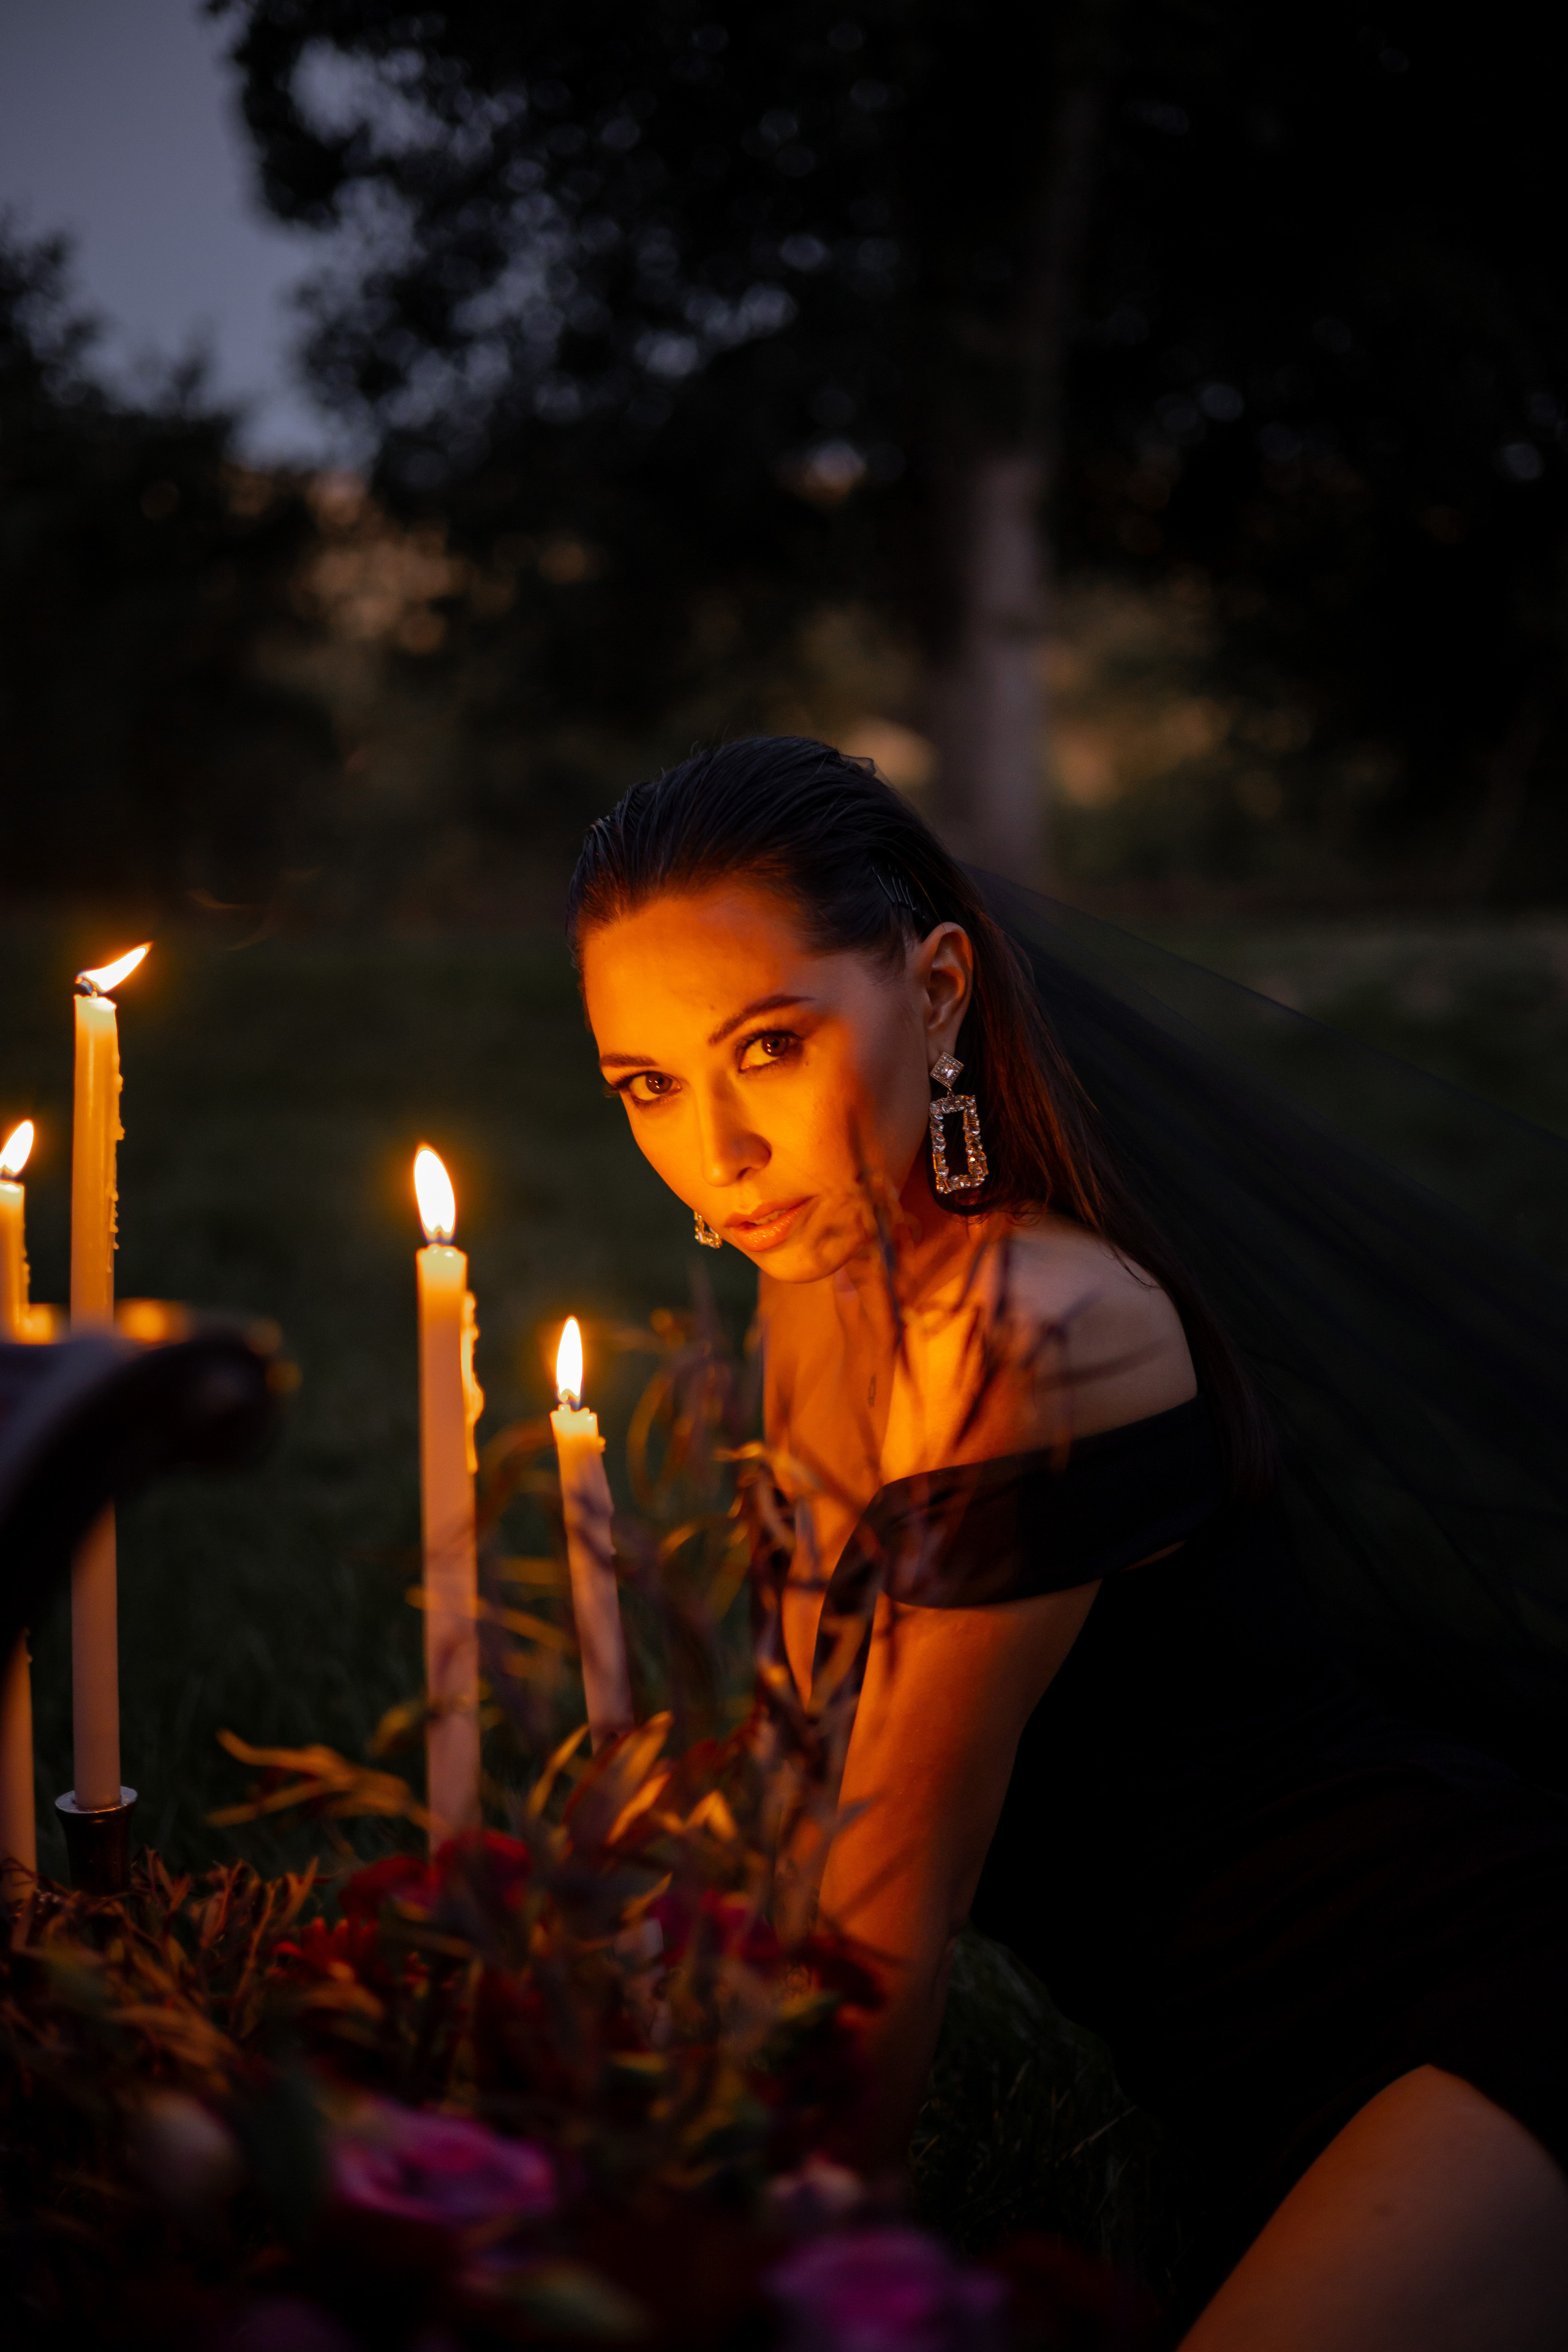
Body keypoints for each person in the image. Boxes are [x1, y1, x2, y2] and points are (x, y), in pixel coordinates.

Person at [567, 736, 1568, 2350]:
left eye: (769, 1046)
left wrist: (751, 2282)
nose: (718, 1154)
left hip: (1477, 2001)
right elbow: (811, 1787)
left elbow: (892, 1904)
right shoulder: (819, 1270)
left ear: (940, 985)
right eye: (651, 1086)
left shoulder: (1035, 1341)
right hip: (1262, 2072)